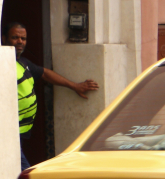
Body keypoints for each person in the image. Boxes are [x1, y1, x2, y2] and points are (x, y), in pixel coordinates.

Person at [8, 23, 98, 169]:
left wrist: (74, 86)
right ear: (4, 38)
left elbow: (45, 73)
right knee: (27, 174)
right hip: (9, 132)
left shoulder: (23, 63)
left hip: (21, 132)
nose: (20, 42)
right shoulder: (3, 64)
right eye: (15, 37)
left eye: (23, 38)